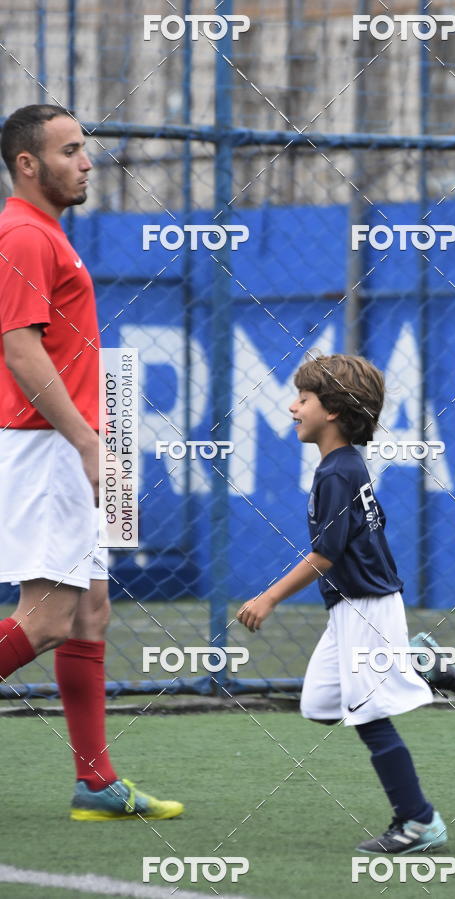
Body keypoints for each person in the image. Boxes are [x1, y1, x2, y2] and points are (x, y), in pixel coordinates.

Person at [0, 104, 183, 821]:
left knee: (91, 614)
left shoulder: (45, 234)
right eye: (71, 149)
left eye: (85, 148)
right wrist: (84, 441)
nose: (86, 161)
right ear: (27, 164)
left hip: (61, 445)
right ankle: (97, 782)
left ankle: (97, 783)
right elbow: (19, 348)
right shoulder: (21, 233)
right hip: (46, 448)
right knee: (43, 620)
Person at [237, 353, 455, 853]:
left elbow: (325, 554)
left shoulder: (337, 474)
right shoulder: (342, 467)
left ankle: (418, 822)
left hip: (366, 606)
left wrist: (269, 598)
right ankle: (420, 661)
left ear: (332, 410)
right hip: (351, 608)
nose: (291, 407)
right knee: (320, 705)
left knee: (368, 716)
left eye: (303, 398)